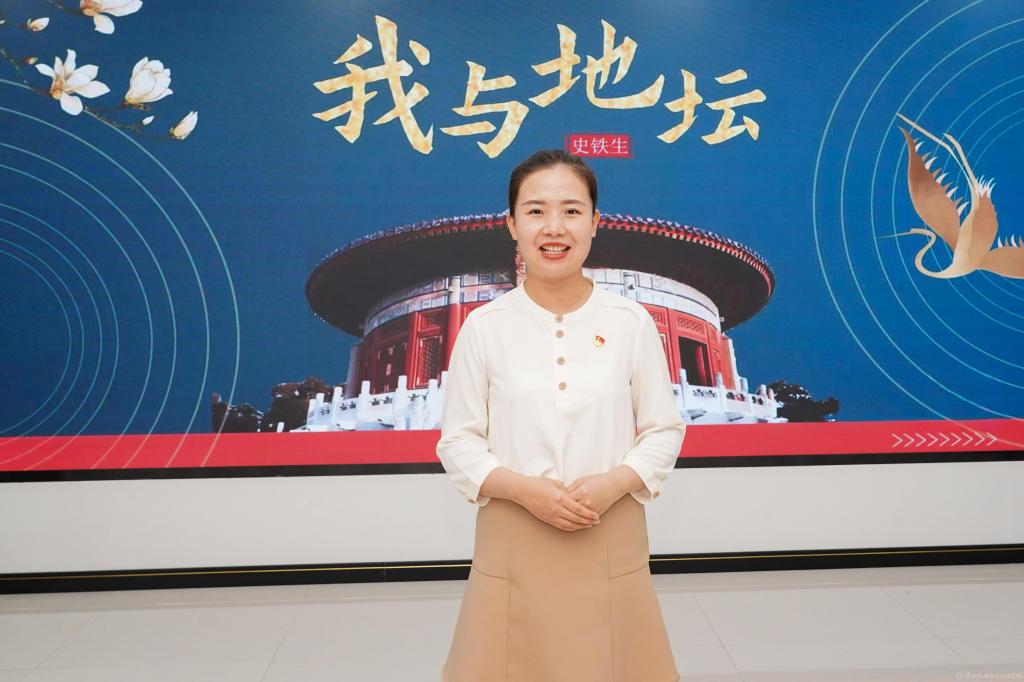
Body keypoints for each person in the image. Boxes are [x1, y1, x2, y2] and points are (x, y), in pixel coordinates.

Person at [437, 149, 686, 681]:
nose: (554, 228)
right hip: (514, 527)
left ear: (595, 222)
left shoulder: (629, 321)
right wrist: (525, 490)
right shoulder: (485, 326)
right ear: (512, 224)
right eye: (536, 211)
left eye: (571, 210)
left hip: (608, 522)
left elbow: (663, 429)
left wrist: (613, 483)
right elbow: (458, 441)